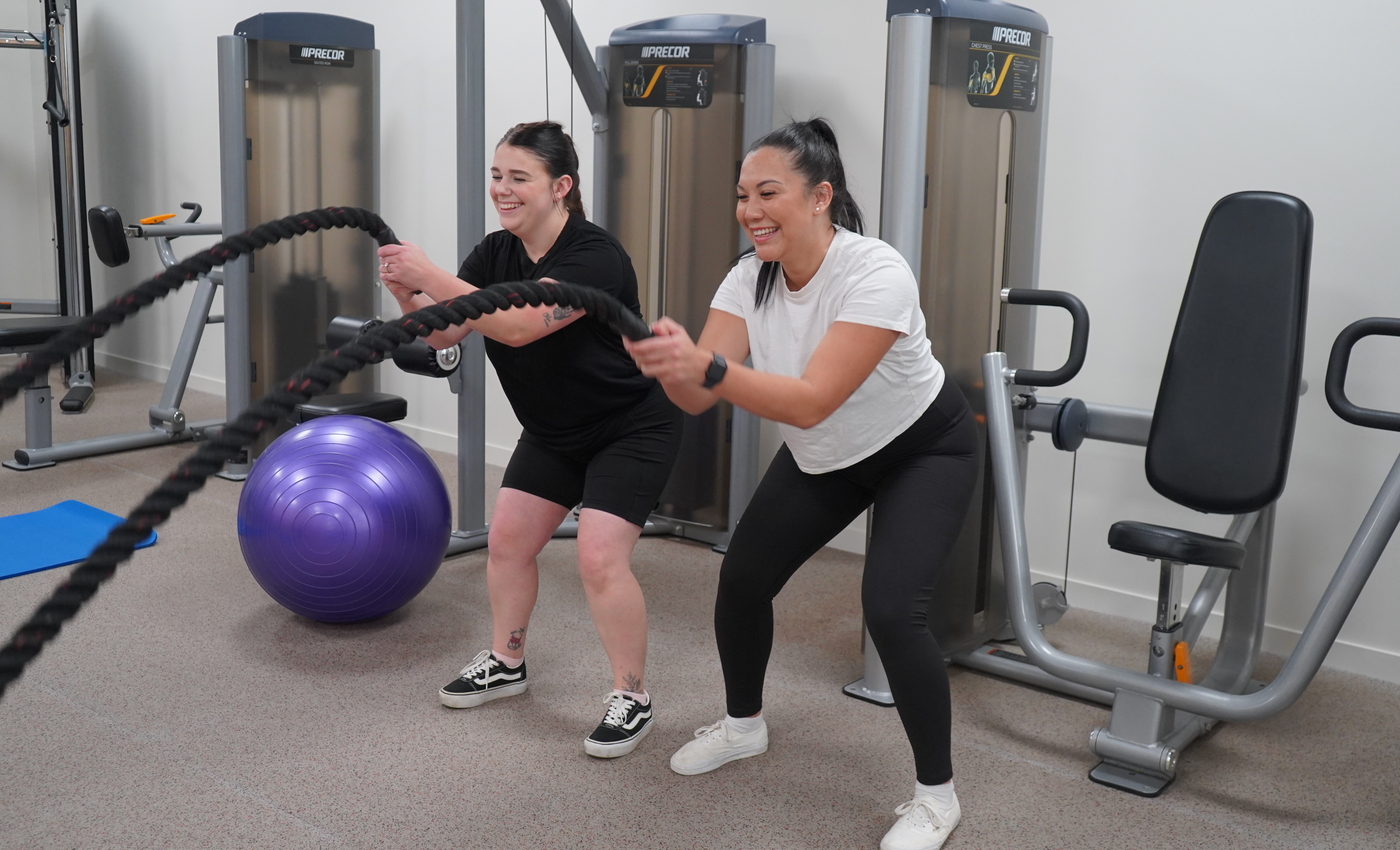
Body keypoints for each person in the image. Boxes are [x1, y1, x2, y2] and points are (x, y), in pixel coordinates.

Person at [624, 119, 978, 850]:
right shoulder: (747, 276)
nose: (751, 210)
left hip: (923, 448)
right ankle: (744, 726)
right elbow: (697, 398)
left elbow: (814, 397)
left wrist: (710, 369)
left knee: (891, 608)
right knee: (743, 580)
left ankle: (936, 797)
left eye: (768, 193)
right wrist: (667, 364)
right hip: (826, 455)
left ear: (821, 197)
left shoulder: (876, 272)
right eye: (742, 195)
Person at [378, 121, 682, 759]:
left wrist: (431, 271)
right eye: (496, 176)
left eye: (519, 178)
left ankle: (633, 696)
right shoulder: (494, 252)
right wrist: (409, 291)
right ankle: (506, 660)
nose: (502, 190)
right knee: (507, 545)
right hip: (553, 430)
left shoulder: (595, 256)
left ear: (561, 187)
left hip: (630, 426)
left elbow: (516, 326)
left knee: (599, 558)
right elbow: (440, 337)